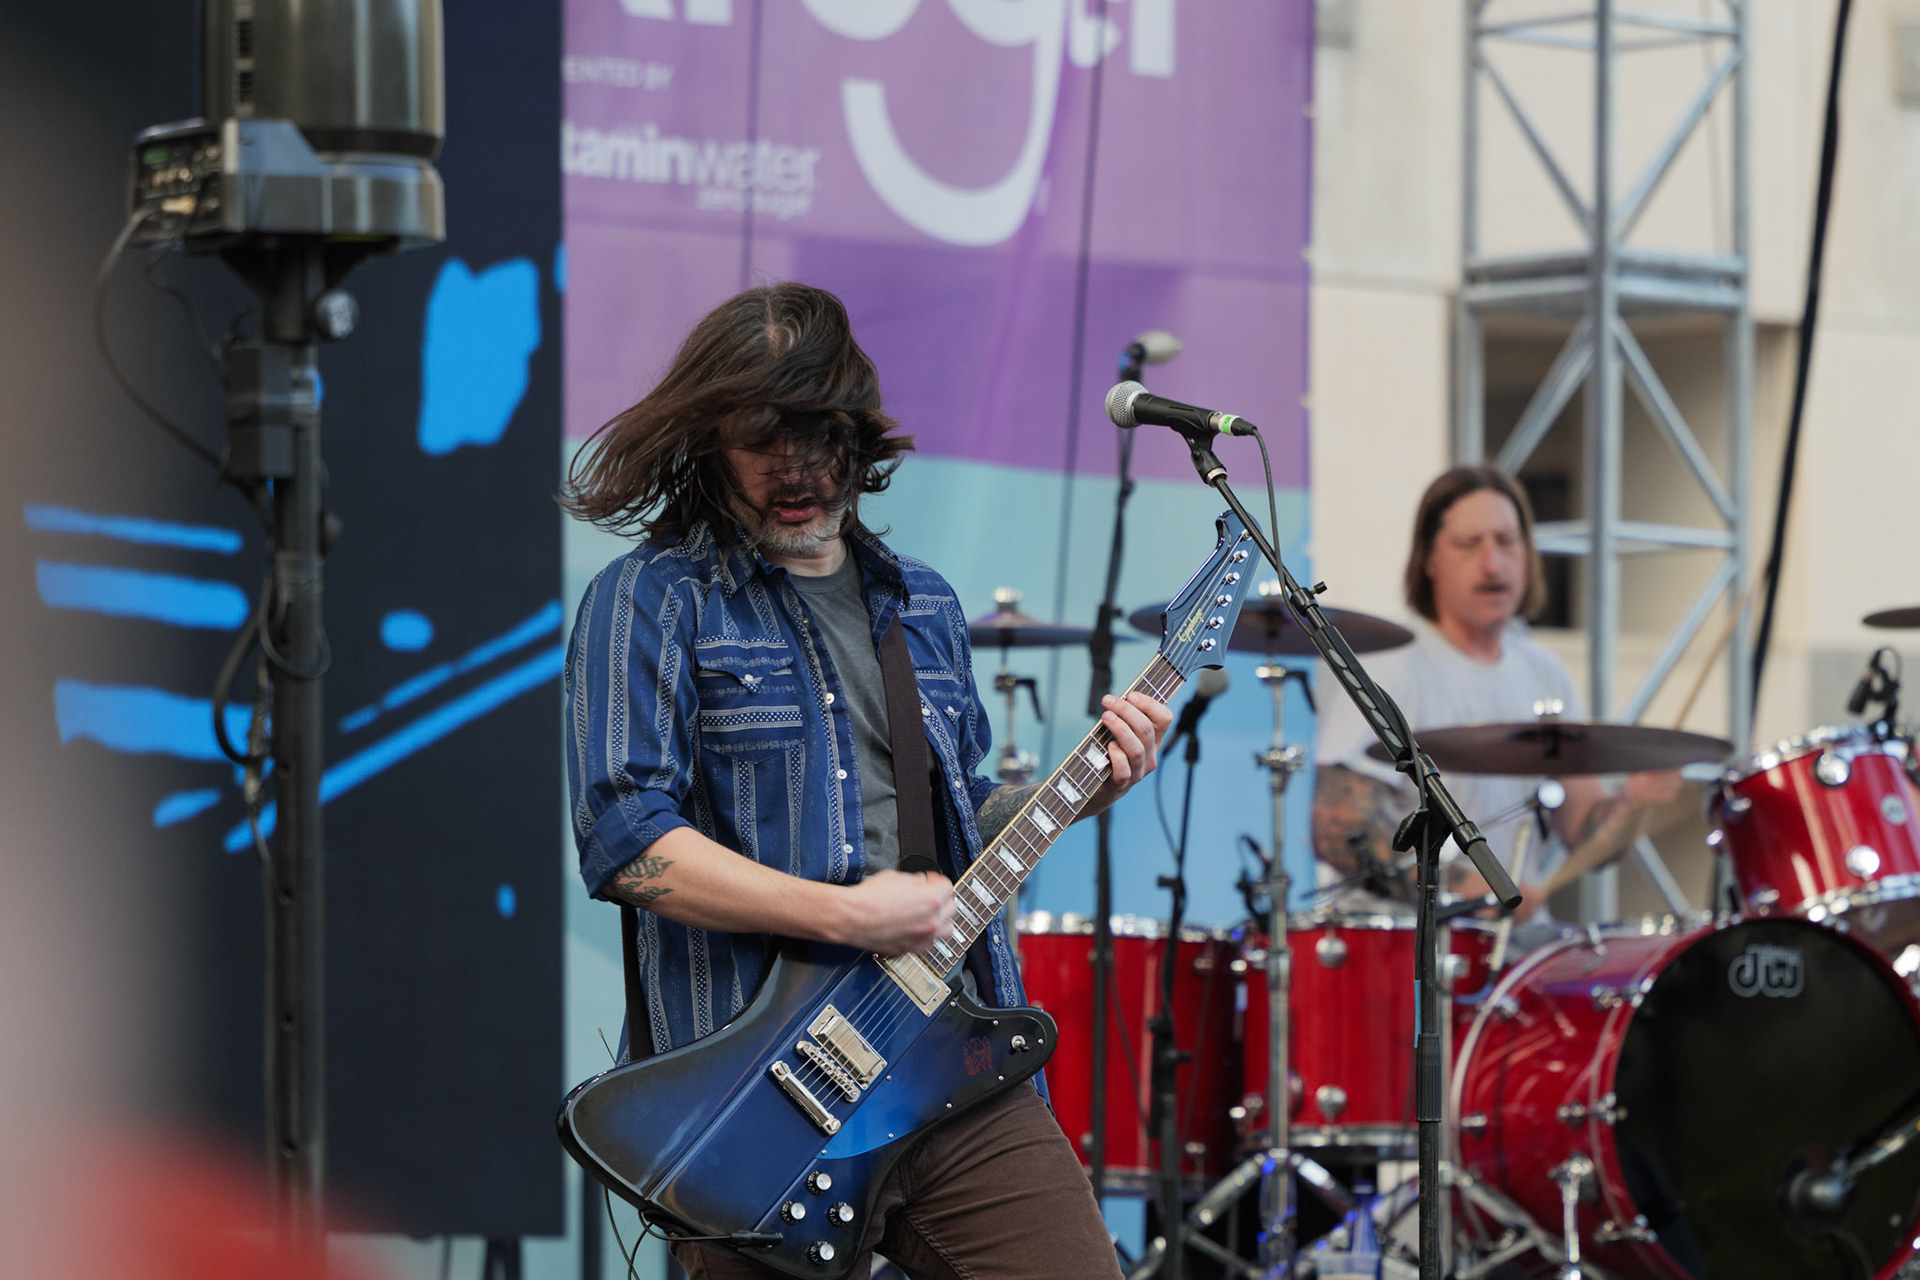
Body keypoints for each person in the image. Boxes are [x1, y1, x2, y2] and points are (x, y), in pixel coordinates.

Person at [560, 282, 1171, 1280]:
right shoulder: (651, 598)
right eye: (764, 443)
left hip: (952, 1061)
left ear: (858, 435)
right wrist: (846, 915)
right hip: (755, 1101)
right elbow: (627, 841)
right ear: (711, 443)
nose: (797, 471)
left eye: (821, 440)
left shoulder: (923, 603)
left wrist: (1079, 793)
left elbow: (960, 821)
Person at [1312, 465, 1680, 924]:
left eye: (1507, 542)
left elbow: (1584, 833)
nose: (1493, 564)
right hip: (1402, 941)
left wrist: (1634, 802)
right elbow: (1336, 829)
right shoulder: (1390, 666)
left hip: (1511, 947)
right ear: (1429, 560)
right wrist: (1463, 888)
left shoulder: (1544, 672)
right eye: (1469, 544)